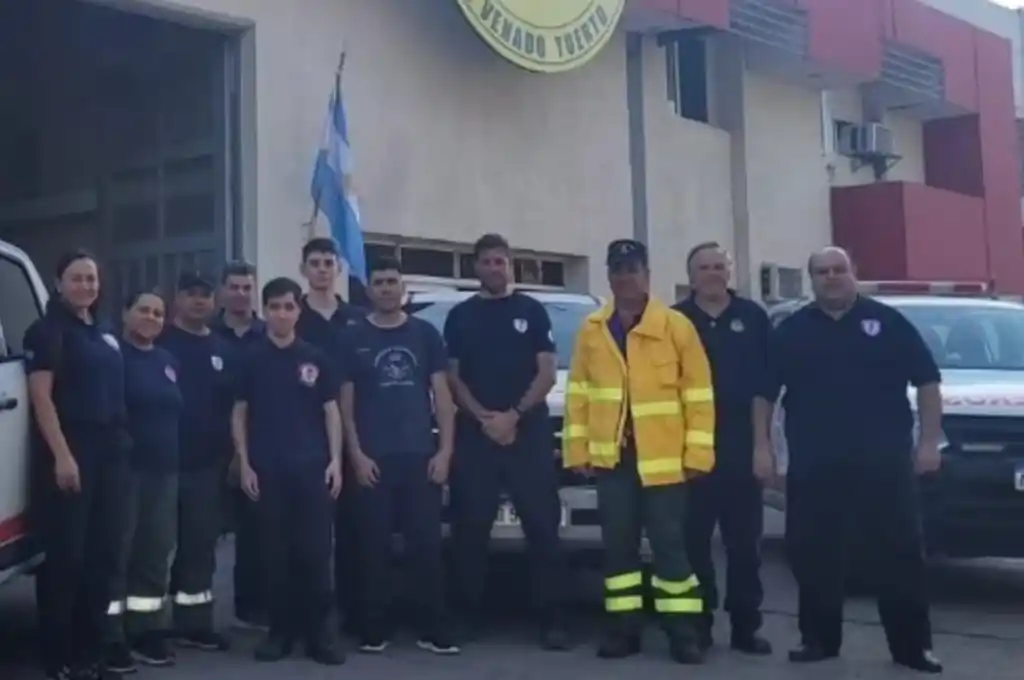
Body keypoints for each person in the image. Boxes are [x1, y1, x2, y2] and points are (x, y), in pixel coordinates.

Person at [752, 246, 943, 673]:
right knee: (815, 553)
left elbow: (928, 380)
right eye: (822, 271)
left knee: (900, 553)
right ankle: (818, 639)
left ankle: (913, 648)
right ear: (811, 279)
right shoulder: (793, 330)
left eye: (839, 269)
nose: (831, 277)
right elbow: (764, 394)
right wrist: (762, 449)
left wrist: (929, 442)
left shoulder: (888, 323)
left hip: (885, 462)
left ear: (854, 272)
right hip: (816, 463)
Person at [563, 239, 714, 664]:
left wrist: (698, 455)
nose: (624, 277)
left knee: (670, 548)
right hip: (613, 462)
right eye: (617, 269)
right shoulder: (593, 329)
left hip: (665, 463)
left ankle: (682, 633)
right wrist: (578, 450)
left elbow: (699, 396)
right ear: (608, 276)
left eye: (632, 268)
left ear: (647, 274)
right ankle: (622, 631)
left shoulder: (675, 326)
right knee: (619, 550)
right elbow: (579, 394)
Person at [444, 233, 570, 650]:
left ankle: (552, 618)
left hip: (528, 432)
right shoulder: (460, 316)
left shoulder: (532, 311)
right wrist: (483, 417)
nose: (495, 268)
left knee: (542, 527)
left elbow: (548, 371)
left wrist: (513, 415)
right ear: (475, 266)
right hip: (476, 434)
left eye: (501, 261)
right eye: (487, 261)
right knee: (470, 528)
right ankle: (466, 614)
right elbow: (452, 376)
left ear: (509, 266)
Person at [338, 256, 459, 655]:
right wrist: (355, 453)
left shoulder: (424, 334)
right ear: (369, 289)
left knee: (425, 547)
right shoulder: (353, 336)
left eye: (392, 281)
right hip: (373, 459)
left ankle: (434, 628)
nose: (387, 288)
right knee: (372, 549)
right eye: (380, 282)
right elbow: (346, 403)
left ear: (402, 287)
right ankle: (374, 629)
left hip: (420, 457)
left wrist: (445, 451)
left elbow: (442, 396)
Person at [25, 250, 130, 680]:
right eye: (77, 278)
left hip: (112, 452)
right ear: (58, 282)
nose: (86, 285)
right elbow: (41, 398)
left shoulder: (103, 331)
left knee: (103, 557)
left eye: (91, 278)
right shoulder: (46, 332)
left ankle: (91, 654)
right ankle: (59, 656)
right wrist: (63, 455)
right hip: (73, 448)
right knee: (68, 557)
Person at [233, 277, 345, 665]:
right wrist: (244, 462)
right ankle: (279, 632)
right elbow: (240, 412)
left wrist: (336, 461)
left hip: (312, 469)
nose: (282, 313)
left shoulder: (316, 357)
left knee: (315, 553)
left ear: (299, 310)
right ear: (265, 312)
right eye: (275, 307)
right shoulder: (251, 357)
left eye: (289, 306)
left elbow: (331, 411)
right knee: (274, 555)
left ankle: (320, 635)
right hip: (267, 471)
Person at [673, 242, 772, 655]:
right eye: (704, 267)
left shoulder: (752, 317)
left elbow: (763, 388)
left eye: (719, 266)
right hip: (690, 451)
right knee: (694, 543)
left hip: (740, 447)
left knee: (745, 545)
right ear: (691, 275)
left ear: (729, 271)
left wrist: (762, 446)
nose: (713, 273)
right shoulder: (674, 320)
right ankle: (699, 624)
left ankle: (746, 626)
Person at [103, 292, 182, 673]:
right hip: (126, 471)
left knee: (155, 553)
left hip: (163, 471)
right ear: (125, 313)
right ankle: (110, 635)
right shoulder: (113, 357)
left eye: (158, 312)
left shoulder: (166, 360)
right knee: (118, 553)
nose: (151, 317)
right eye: (144, 310)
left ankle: (146, 630)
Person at [157, 272, 233, 653]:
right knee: (151, 548)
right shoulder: (160, 341)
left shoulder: (221, 348)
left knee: (200, 547)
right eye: (191, 294)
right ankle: (144, 628)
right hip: (160, 463)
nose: (199, 301)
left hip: (207, 465)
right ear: (177, 298)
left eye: (205, 295)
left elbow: (234, 409)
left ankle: (194, 623)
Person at [293, 237, 365, 635]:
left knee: (355, 531)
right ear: (303, 269)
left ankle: (353, 615)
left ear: (338, 268)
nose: (322, 269)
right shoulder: (292, 315)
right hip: (304, 436)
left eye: (328, 262)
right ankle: (305, 618)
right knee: (308, 538)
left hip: (354, 434)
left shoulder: (357, 318)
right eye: (314, 262)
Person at [211, 260, 268, 631]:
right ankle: (190, 617)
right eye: (234, 287)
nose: (241, 294)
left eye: (247, 287)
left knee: (256, 534)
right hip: (208, 447)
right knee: (199, 536)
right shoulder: (206, 333)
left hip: (257, 447)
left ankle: (251, 610)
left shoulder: (268, 333)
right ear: (223, 290)